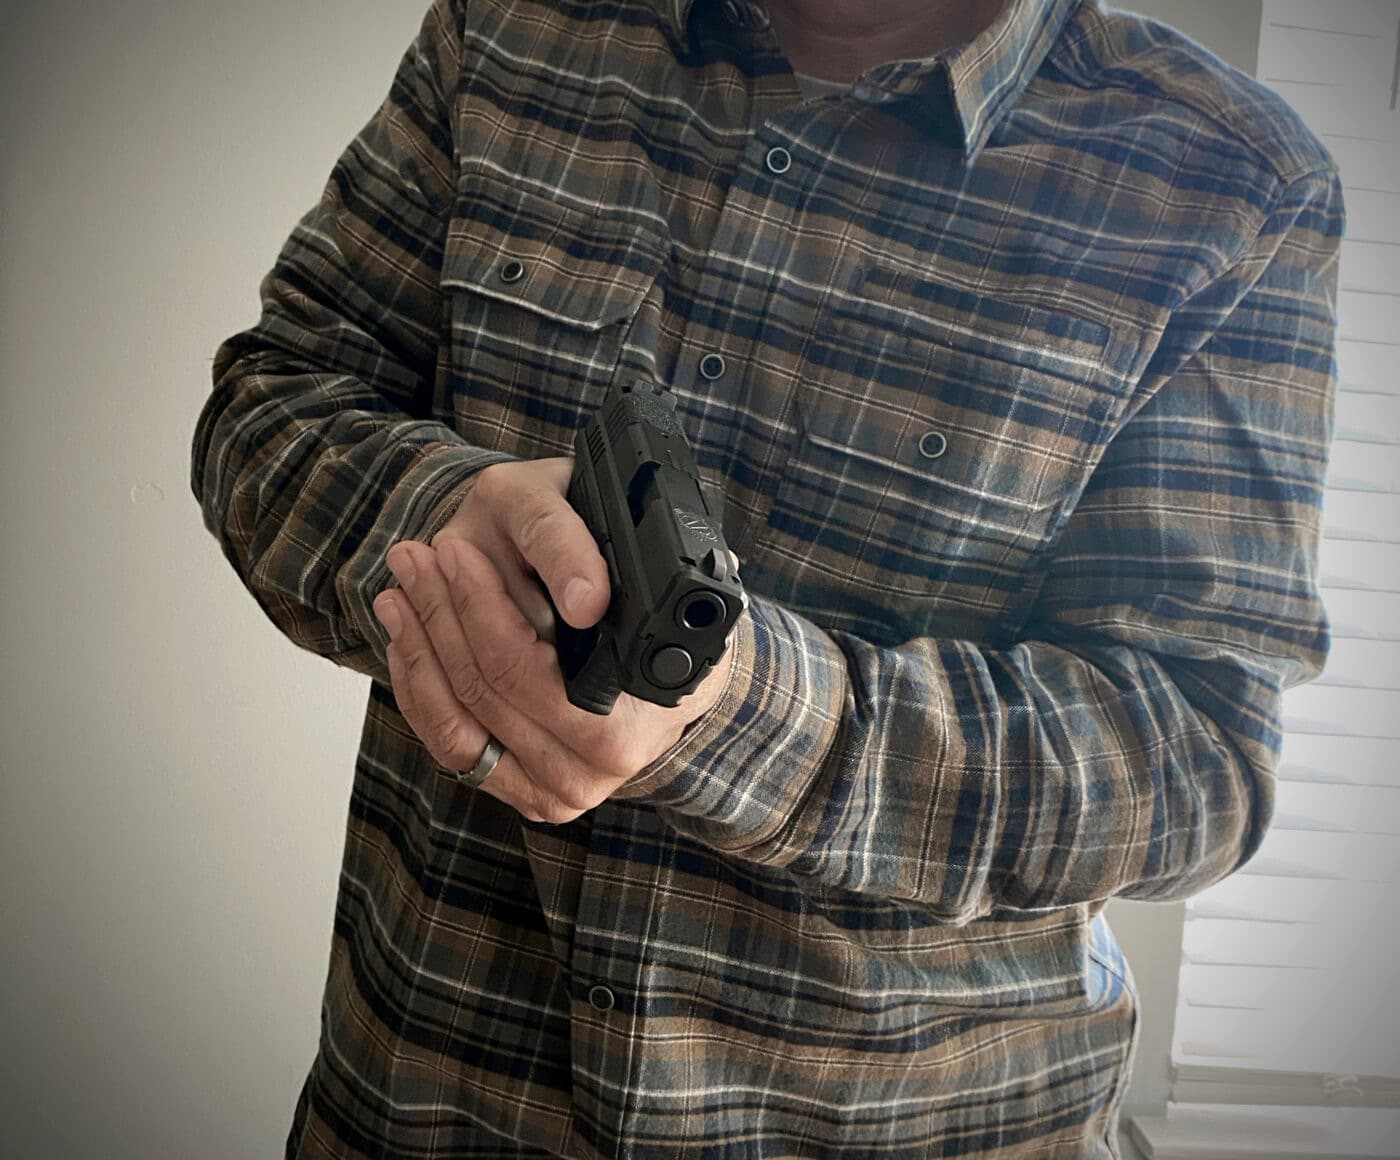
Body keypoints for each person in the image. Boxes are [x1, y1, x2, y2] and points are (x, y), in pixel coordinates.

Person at [191, 0, 1343, 1154]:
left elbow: (1196, 757)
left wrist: (740, 711)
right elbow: (270, 400)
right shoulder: (506, 29)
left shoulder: (1233, 178)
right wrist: (439, 519)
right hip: (423, 1098)